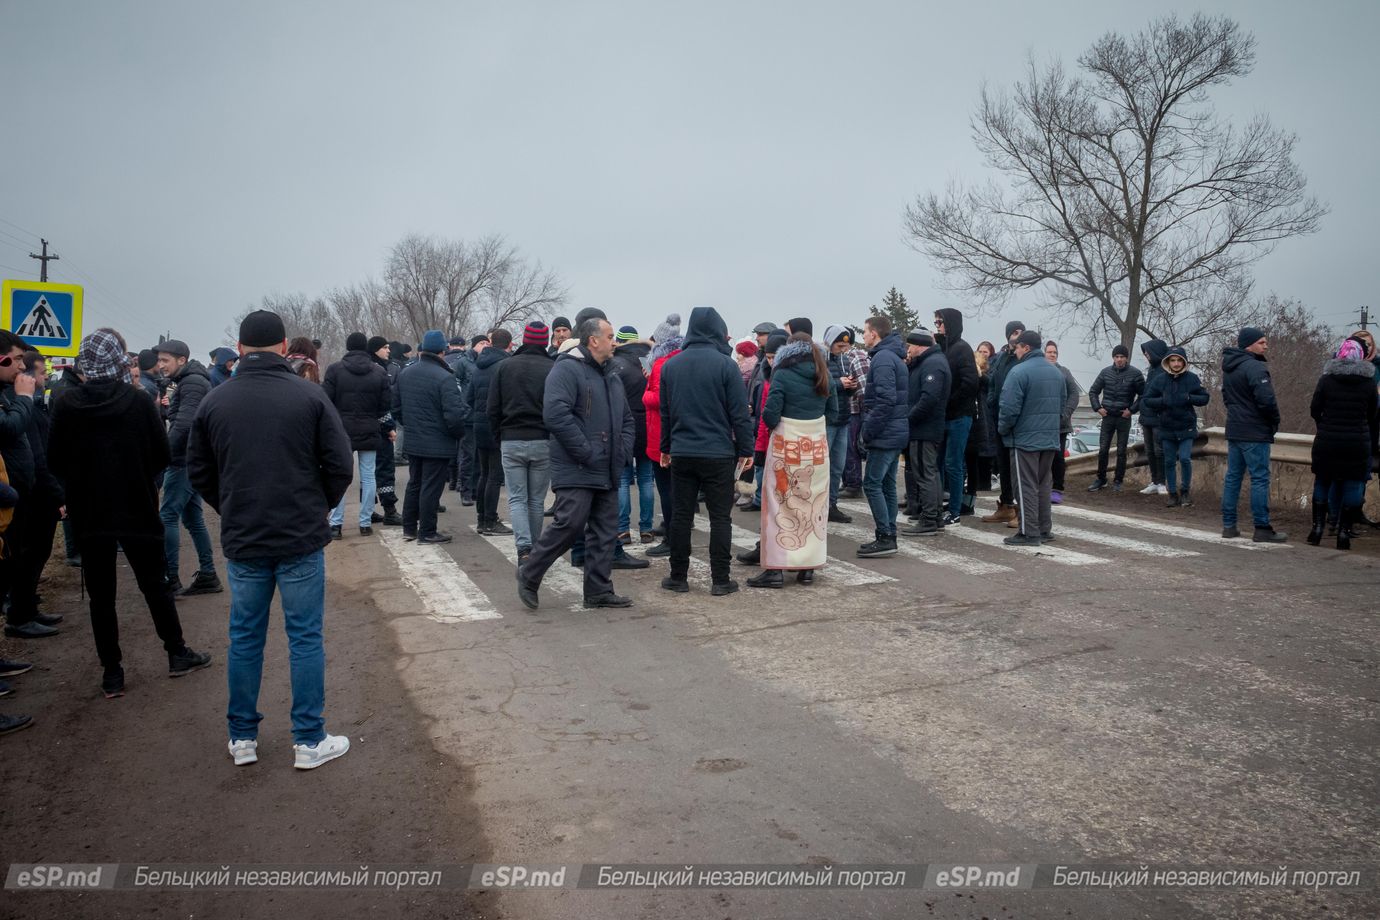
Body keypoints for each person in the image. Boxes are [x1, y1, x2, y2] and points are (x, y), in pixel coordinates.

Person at [188, 309, 354, 769]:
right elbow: (340, 464)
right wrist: (319, 504)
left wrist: (231, 506)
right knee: (304, 637)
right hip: (299, 534)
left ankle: (242, 737)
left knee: (245, 636)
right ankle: (309, 739)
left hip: (246, 536)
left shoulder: (215, 402)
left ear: (239, 350)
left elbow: (198, 469)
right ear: (284, 348)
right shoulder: (309, 396)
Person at [52, 329, 213, 700]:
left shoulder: (66, 404)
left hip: (89, 514)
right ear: (116, 361)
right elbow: (161, 454)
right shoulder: (138, 402)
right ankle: (176, 653)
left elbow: (55, 459)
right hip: (136, 507)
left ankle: (112, 673)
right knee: (154, 585)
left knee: (101, 595)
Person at [516, 317, 635, 610]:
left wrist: (621, 450)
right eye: (609, 336)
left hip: (608, 465)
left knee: (605, 531)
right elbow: (555, 415)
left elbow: (628, 420)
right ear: (593, 340)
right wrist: (585, 450)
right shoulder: (566, 370)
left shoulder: (612, 375)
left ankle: (598, 590)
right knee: (569, 524)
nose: (614, 341)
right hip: (577, 465)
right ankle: (529, 574)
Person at [658, 307, 754, 596]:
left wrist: (665, 448)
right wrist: (746, 449)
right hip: (718, 452)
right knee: (720, 518)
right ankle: (721, 580)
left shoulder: (671, 366)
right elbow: (739, 414)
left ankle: (678, 577)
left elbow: (666, 413)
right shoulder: (726, 365)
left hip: (683, 451)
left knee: (681, 516)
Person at [748, 333, 835, 588]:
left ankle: (775, 569)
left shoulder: (782, 374)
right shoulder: (824, 374)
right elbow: (834, 412)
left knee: (779, 503)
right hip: (816, 451)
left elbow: (771, 413)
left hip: (787, 446)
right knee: (814, 505)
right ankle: (807, 567)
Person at [155, 338, 222, 596]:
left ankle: (170, 578)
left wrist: (163, 456)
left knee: (168, 516)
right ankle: (207, 574)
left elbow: (184, 425)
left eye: (165, 360)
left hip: (182, 461)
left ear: (181, 360)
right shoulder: (188, 380)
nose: (161, 365)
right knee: (193, 518)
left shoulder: (192, 382)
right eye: (159, 360)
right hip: (189, 459)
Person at [5, 352, 65, 636]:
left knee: (33, 554)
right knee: (26, 556)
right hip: (31, 493)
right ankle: (20, 614)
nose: (44, 379)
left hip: (32, 490)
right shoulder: (22, 405)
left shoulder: (32, 404)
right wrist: (57, 494)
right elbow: (38, 456)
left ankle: (28, 608)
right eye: (40, 373)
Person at [488, 321, 555, 561]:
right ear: (545, 341)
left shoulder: (505, 367)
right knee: (536, 500)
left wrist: (499, 435)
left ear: (524, 340)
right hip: (542, 439)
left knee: (517, 498)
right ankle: (535, 549)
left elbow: (492, 407)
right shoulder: (552, 367)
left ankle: (523, 547)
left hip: (511, 438)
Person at [394, 330, 467, 543]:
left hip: (414, 439)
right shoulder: (445, 377)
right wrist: (458, 434)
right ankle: (427, 531)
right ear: (442, 351)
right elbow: (454, 415)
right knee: (431, 487)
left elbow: (396, 407)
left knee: (414, 483)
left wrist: (411, 426)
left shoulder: (406, 373)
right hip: (438, 441)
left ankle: (409, 528)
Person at [1306, 338, 1378, 549]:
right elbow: (1373, 414)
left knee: (1322, 481)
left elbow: (1314, 409)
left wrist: (1325, 424)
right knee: (1353, 484)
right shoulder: (1369, 383)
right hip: (1357, 442)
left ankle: (1317, 529)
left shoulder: (1326, 380)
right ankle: (1344, 533)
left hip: (1327, 440)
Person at [997, 330, 1064, 545]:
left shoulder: (1018, 372)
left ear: (1025, 347)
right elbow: (1061, 404)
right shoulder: (1055, 372)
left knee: (1025, 486)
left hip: (1024, 439)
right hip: (1050, 438)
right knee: (1044, 485)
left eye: (1017, 347)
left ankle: (1028, 532)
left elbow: (1008, 408)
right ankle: (1044, 529)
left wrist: (1003, 429)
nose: (1015, 350)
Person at [322, 332, 391, 538]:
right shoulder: (378, 372)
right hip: (369, 427)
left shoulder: (334, 370)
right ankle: (365, 522)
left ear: (348, 347)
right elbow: (386, 404)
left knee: (340, 475)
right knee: (368, 476)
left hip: (341, 430)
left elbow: (326, 399)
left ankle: (336, 524)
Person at [1220, 327, 1285, 542]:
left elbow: (1227, 398)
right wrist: (1274, 421)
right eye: (1262, 342)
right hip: (1254, 431)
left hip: (1235, 428)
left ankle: (1229, 525)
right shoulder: (1255, 368)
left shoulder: (1229, 368)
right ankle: (1262, 527)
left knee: (1233, 478)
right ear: (1249, 344)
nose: (1266, 346)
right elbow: (1266, 401)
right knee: (1259, 478)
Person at [857, 315, 909, 558]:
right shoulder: (891, 356)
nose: (864, 336)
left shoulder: (883, 359)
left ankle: (885, 535)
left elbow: (885, 400)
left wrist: (868, 430)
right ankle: (889, 534)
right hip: (894, 431)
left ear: (874, 334)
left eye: (865, 331)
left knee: (872, 483)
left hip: (885, 433)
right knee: (887, 483)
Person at [897, 328, 952, 538]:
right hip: (926, 428)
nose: (908, 349)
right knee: (930, 473)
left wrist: (908, 418)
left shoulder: (933, 364)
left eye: (910, 345)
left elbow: (929, 398)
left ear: (920, 345)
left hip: (924, 429)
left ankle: (929, 519)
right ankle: (935, 516)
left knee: (925, 474)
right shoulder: (930, 362)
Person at [1143, 347, 1210, 508]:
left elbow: (1204, 398)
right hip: (1166, 427)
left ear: (1184, 362)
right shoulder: (1160, 380)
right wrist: (1163, 401)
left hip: (1186, 426)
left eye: (1179, 360)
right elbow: (1147, 399)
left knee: (1185, 458)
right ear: (1167, 362)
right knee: (1169, 461)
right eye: (1173, 360)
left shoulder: (1192, 379)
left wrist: (1188, 397)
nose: (1176, 363)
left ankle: (1185, 491)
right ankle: (1172, 494)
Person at [610, 326, 655, 545]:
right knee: (646, 479)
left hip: (624, 426)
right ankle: (646, 528)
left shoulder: (616, 365)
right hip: (647, 424)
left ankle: (622, 529)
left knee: (623, 479)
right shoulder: (649, 363)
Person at [933, 309, 979, 526]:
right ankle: (938, 505)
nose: (937, 325)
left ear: (950, 323)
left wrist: (949, 400)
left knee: (954, 463)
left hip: (960, 415)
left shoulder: (962, 349)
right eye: (936, 322)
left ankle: (955, 510)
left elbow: (971, 383)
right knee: (939, 462)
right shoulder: (943, 348)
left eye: (940, 322)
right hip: (944, 416)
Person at [641, 325, 683, 557]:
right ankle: (677, 534)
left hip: (661, 435)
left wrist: (644, 393)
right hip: (683, 435)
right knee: (678, 490)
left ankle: (671, 537)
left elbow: (658, 398)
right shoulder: (684, 360)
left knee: (666, 490)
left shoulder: (660, 364)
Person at [981, 322, 1025, 524]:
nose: (1018, 336)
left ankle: (1021, 510)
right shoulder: (1000, 358)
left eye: (1021, 333)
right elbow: (992, 381)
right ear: (1008, 335)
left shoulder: (1023, 357)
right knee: (1004, 465)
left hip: (1016, 420)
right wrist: (991, 402)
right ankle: (1006, 505)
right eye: (1015, 332)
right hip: (998, 417)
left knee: (1018, 467)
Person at [470, 328, 512, 535]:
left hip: (479, 424)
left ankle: (481, 519)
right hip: (497, 425)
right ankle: (490, 520)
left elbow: (468, 399)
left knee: (484, 473)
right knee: (495, 475)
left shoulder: (478, 366)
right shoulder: (505, 366)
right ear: (509, 345)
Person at [1087, 344, 1145, 493]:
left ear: (1126, 358)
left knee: (1121, 451)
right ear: (1113, 357)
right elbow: (1093, 391)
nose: (1119, 359)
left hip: (1123, 417)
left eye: (1122, 357)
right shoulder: (1105, 372)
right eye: (1116, 357)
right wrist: (1098, 408)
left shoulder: (1135, 374)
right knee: (1103, 449)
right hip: (1107, 416)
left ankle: (1118, 480)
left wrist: (1131, 410)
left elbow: (1143, 395)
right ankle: (1101, 479)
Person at [821, 325, 860, 523]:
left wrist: (851, 387)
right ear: (830, 342)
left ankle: (831, 505)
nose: (843, 349)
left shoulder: (845, 360)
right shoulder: (820, 360)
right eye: (839, 345)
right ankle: (819, 505)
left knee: (837, 467)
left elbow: (845, 390)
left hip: (843, 419)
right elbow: (818, 385)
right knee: (823, 467)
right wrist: (839, 384)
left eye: (845, 346)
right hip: (827, 420)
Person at [368, 335, 402, 525]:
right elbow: (384, 404)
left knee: (367, 471)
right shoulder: (378, 371)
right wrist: (389, 427)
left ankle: (368, 510)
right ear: (375, 349)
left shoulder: (339, 371)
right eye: (385, 347)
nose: (388, 350)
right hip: (379, 429)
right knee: (384, 469)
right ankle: (389, 510)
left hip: (356, 431)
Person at [962, 341, 998, 515]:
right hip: (972, 425)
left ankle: (969, 501)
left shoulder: (985, 380)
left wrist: (978, 373)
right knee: (967, 465)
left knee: (973, 464)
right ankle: (965, 500)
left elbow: (987, 382)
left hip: (978, 427)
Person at [1043, 341, 1080, 504]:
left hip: (1060, 425)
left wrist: (1065, 414)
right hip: (1041, 424)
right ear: (1043, 353)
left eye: (1054, 352)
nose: (1052, 354)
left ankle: (1057, 489)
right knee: (1041, 457)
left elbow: (1074, 394)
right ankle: (1041, 487)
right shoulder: (1039, 371)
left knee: (1058, 457)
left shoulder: (1064, 372)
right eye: (1049, 352)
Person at [455, 334, 487, 504]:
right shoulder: (463, 362)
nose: (485, 346)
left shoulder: (486, 362)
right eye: (481, 343)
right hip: (468, 417)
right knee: (468, 456)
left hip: (482, 416)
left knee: (480, 457)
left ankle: (475, 489)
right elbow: (456, 384)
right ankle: (465, 491)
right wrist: (463, 406)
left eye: (487, 343)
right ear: (474, 345)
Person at [841, 329, 871, 500]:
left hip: (855, 411)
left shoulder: (856, 356)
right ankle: (847, 482)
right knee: (846, 449)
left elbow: (864, 387)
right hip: (846, 410)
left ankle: (854, 484)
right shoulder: (840, 357)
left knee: (852, 448)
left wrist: (865, 416)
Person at [1137, 340, 1170, 495]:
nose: (1146, 356)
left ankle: (1162, 482)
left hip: (1158, 417)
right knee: (1149, 450)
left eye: (1148, 353)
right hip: (1146, 417)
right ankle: (1154, 480)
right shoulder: (1152, 369)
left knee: (1159, 451)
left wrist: (1152, 404)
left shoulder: (1165, 369)